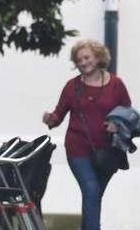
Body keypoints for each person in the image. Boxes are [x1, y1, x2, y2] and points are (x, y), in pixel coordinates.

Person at [42, 40, 131, 230]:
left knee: (94, 195)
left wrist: (118, 125)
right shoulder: (71, 87)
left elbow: (128, 113)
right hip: (78, 149)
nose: (83, 62)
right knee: (91, 190)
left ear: (98, 58)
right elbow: (58, 115)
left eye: (86, 57)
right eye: (78, 59)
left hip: (108, 151)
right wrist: (50, 118)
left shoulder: (116, 85)